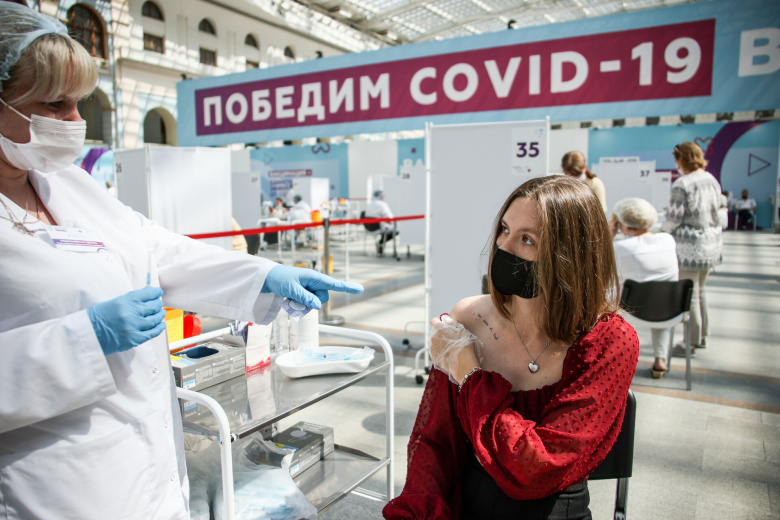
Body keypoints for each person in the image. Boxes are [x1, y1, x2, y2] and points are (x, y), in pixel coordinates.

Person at [0, 5, 363, 519]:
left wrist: (263, 275)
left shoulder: (68, 183)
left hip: (145, 461)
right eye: (55, 104)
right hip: (57, 483)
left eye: (80, 103)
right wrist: (84, 340)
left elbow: (154, 248)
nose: (76, 122)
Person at [384, 176, 639, 520]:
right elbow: (436, 443)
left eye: (527, 239)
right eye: (504, 229)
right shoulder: (468, 318)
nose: (504, 246)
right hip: (469, 500)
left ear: (569, 256)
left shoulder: (609, 340)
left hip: (555, 509)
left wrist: (470, 374)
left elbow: (538, 466)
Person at [661, 142, 723, 354]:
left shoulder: (683, 183)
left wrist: (660, 231)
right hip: (711, 244)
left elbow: (674, 218)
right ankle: (703, 335)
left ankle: (691, 341)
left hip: (690, 247)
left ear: (682, 159)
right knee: (701, 291)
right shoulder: (711, 179)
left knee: (690, 295)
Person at [610, 198, 678, 378]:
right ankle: (660, 359)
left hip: (631, 313)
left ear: (623, 224)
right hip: (670, 311)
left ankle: (617, 359)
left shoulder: (620, 247)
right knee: (659, 296)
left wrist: (610, 236)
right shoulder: (668, 240)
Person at [365, 189, 398, 255]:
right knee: (396, 230)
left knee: (386, 228)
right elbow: (390, 217)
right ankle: (381, 242)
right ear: (381, 196)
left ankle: (381, 244)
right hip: (378, 227)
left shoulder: (369, 204)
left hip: (368, 228)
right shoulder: (382, 204)